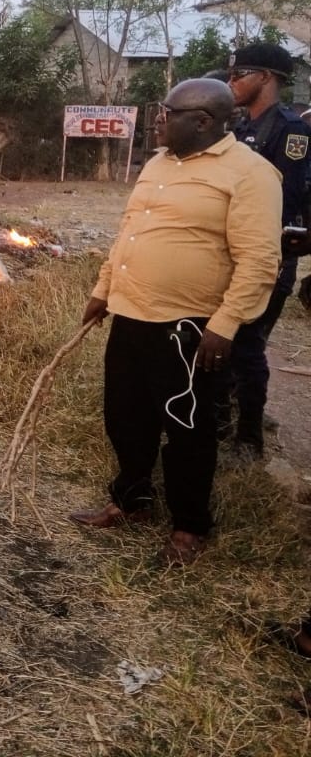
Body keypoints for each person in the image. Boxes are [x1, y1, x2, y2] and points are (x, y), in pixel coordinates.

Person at [70, 77, 282, 566]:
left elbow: (259, 261)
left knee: (187, 428)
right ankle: (132, 500)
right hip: (131, 314)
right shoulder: (159, 164)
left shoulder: (251, 174)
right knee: (125, 416)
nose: (159, 119)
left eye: (169, 112)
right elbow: (130, 234)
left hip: (190, 328)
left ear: (203, 122)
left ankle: (190, 528)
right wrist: (104, 290)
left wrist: (225, 324)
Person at [224, 43, 310, 455]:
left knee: (247, 344)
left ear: (266, 78)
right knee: (224, 340)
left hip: (269, 255)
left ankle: (249, 439)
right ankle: (224, 421)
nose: (232, 83)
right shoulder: (240, 128)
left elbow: (288, 197)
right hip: (234, 251)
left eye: (240, 75)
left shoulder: (291, 130)